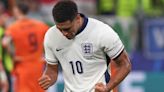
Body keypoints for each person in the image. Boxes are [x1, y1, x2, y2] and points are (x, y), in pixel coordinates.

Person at [38, 0, 131, 92]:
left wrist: (108, 87)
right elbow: (52, 69)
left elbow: (125, 64)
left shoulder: (102, 32)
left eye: (67, 29)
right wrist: (48, 78)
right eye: (60, 29)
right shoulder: (51, 36)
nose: (64, 33)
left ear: (77, 18)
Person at [2, 2, 49, 92]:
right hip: (38, 64)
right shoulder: (40, 25)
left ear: (16, 11)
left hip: (23, 64)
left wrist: (13, 56)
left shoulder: (13, 27)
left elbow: (5, 43)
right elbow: (49, 39)